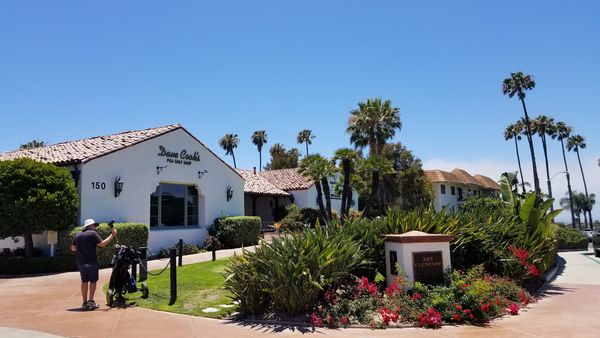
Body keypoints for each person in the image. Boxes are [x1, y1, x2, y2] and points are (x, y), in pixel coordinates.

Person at [71, 218, 117, 311]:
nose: (95, 228)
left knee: (84, 282)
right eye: (94, 226)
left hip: (81, 262)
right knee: (93, 281)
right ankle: (91, 301)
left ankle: (84, 303)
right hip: (91, 262)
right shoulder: (92, 233)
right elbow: (102, 244)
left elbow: (73, 248)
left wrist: (82, 249)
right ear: (90, 226)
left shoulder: (78, 235)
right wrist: (113, 235)